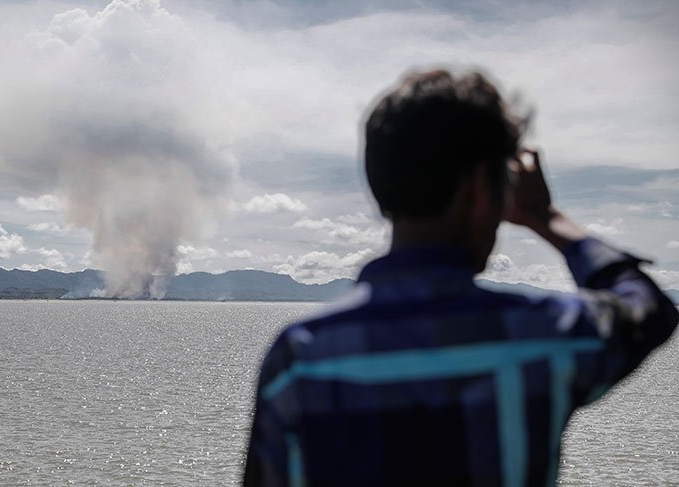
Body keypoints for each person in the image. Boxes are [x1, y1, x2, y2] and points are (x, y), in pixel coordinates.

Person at [243, 69, 678, 486]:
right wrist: (546, 217)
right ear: (480, 187)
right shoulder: (541, 335)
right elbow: (648, 308)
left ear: (379, 186)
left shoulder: (300, 358)